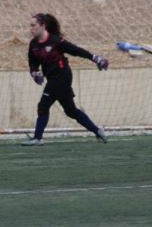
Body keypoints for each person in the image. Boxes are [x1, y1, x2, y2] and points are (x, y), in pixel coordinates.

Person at [22, 13, 109, 146]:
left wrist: (96, 58)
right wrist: (35, 74)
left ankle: (38, 138)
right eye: (30, 26)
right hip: (53, 79)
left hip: (62, 76)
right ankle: (98, 131)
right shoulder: (33, 45)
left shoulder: (55, 41)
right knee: (70, 110)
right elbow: (33, 64)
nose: (31, 29)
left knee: (43, 106)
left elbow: (76, 50)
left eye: (34, 25)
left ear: (43, 26)